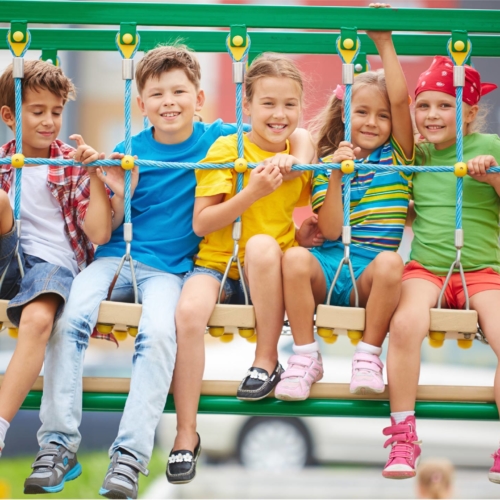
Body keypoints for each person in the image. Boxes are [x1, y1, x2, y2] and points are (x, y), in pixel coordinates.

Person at [23, 44, 258, 499]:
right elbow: (104, 225)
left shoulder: (220, 141)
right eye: (157, 94)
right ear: (141, 104)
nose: (169, 101)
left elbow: (277, 133)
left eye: (178, 92)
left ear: (199, 97)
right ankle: (58, 445)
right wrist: (105, 179)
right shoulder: (128, 151)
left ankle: (129, 456)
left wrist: (303, 147)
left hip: (170, 271)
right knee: (69, 319)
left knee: (158, 334)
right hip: (116, 258)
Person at [168, 53, 318, 484]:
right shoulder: (226, 149)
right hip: (216, 263)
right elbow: (203, 222)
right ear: (247, 106)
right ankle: (185, 433)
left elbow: (305, 148)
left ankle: (265, 360)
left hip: (264, 273)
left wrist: (301, 154)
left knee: (264, 246)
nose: (279, 114)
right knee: (188, 315)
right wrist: (251, 191)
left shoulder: (299, 153)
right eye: (268, 103)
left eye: (290, 105)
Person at [274, 12, 414, 402]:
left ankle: (368, 356)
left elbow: (402, 101)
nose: (372, 122)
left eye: (382, 116)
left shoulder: (399, 156)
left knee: (392, 262)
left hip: (371, 275)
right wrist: (335, 173)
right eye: (362, 112)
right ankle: (305, 358)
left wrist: (384, 42)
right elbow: (331, 231)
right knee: (294, 259)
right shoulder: (324, 162)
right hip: (331, 265)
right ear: (344, 113)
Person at [383, 56, 500, 482]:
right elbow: (398, 102)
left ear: (469, 113)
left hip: (482, 271)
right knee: (405, 325)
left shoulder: (493, 147)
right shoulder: (419, 155)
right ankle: (403, 436)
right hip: (429, 268)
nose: (432, 115)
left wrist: (492, 179)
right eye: (424, 105)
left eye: (445, 105)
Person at [0, 60, 111, 459]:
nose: (49, 122)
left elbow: (98, 233)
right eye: (37, 111)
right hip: (7, 260)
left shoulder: (70, 164)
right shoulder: (3, 161)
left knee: (38, 319)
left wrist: (95, 174)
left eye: (56, 111)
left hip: (51, 270)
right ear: (9, 116)